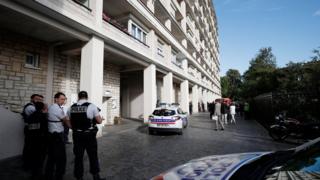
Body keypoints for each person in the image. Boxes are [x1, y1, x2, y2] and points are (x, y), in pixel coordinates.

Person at [68, 91, 106, 180]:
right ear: (87, 97)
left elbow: (68, 120)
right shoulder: (91, 106)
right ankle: (96, 177)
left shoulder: (71, 107)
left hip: (77, 135)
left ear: (78, 97)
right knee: (93, 156)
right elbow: (99, 121)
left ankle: (79, 177)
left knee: (78, 157)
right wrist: (100, 119)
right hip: (89, 135)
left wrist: (73, 128)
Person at [45, 92, 70, 180]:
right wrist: (73, 127)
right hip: (57, 135)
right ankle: (58, 176)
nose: (63, 101)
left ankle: (49, 175)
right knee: (61, 158)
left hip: (52, 134)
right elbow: (66, 121)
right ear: (56, 99)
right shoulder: (56, 109)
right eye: (62, 99)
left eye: (64, 99)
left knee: (52, 157)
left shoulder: (52, 107)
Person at [25, 102, 48, 180]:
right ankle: (38, 175)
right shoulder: (43, 116)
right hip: (41, 141)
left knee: (33, 158)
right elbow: (45, 129)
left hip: (32, 140)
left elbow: (29, 128)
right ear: (43, 108)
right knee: (40, 159)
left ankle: (33, 174)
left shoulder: (31, 116)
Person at [21, 94, 44, 169]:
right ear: (31, 99)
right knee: (29, 146)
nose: (38, 101)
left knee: (31, 146)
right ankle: (26, 164)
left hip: (34, 129)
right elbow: (40, 113)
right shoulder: (30, 107)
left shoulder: (34, 107)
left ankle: (29, 163)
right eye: (37, 99)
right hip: (30, 129)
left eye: (40, 100)